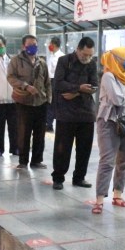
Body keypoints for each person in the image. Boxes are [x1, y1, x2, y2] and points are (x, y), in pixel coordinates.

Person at [92, 47, 125, 214]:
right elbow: (117, 99)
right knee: (107, 161)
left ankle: (118, 195)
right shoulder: (108, 76)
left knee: (124, 160)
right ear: (116, 59)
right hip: (109, 122)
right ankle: (99, 200)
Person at [51, 37, 97, 189]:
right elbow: (58, 83)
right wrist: (79, 88)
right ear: (78, 49)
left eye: (90, 55)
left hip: (86, 113)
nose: (87, 58)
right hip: (66, 113)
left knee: (84, 148)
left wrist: (76, 92)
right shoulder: (65, 61)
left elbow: (94, 86)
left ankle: (79, 177)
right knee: (62, 148)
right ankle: (58, 178)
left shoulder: (91, 64)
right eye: (85, 54)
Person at [7, 34, 52, 169]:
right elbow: (10, 77)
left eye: (35, 45)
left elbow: (47, 82)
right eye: (30, 45)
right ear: (23, 46)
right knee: (24, 132)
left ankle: (36, 160)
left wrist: (48, 98)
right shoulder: (15, 61)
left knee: (40, 133)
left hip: (40, 102)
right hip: (23, 102)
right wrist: (25, 86)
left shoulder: (42, 62)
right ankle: (23, 161)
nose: (33, 47)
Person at [45, 36, 65, 133]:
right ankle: (48, 123)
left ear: (55, 45)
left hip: (55, 81)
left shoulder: (60, 56)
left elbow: (58, 72)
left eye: (51, 44)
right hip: (49, 81)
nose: (49, 46)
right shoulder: (52, 55)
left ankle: (49, 124)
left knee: (51, 103)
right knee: (49, 103)